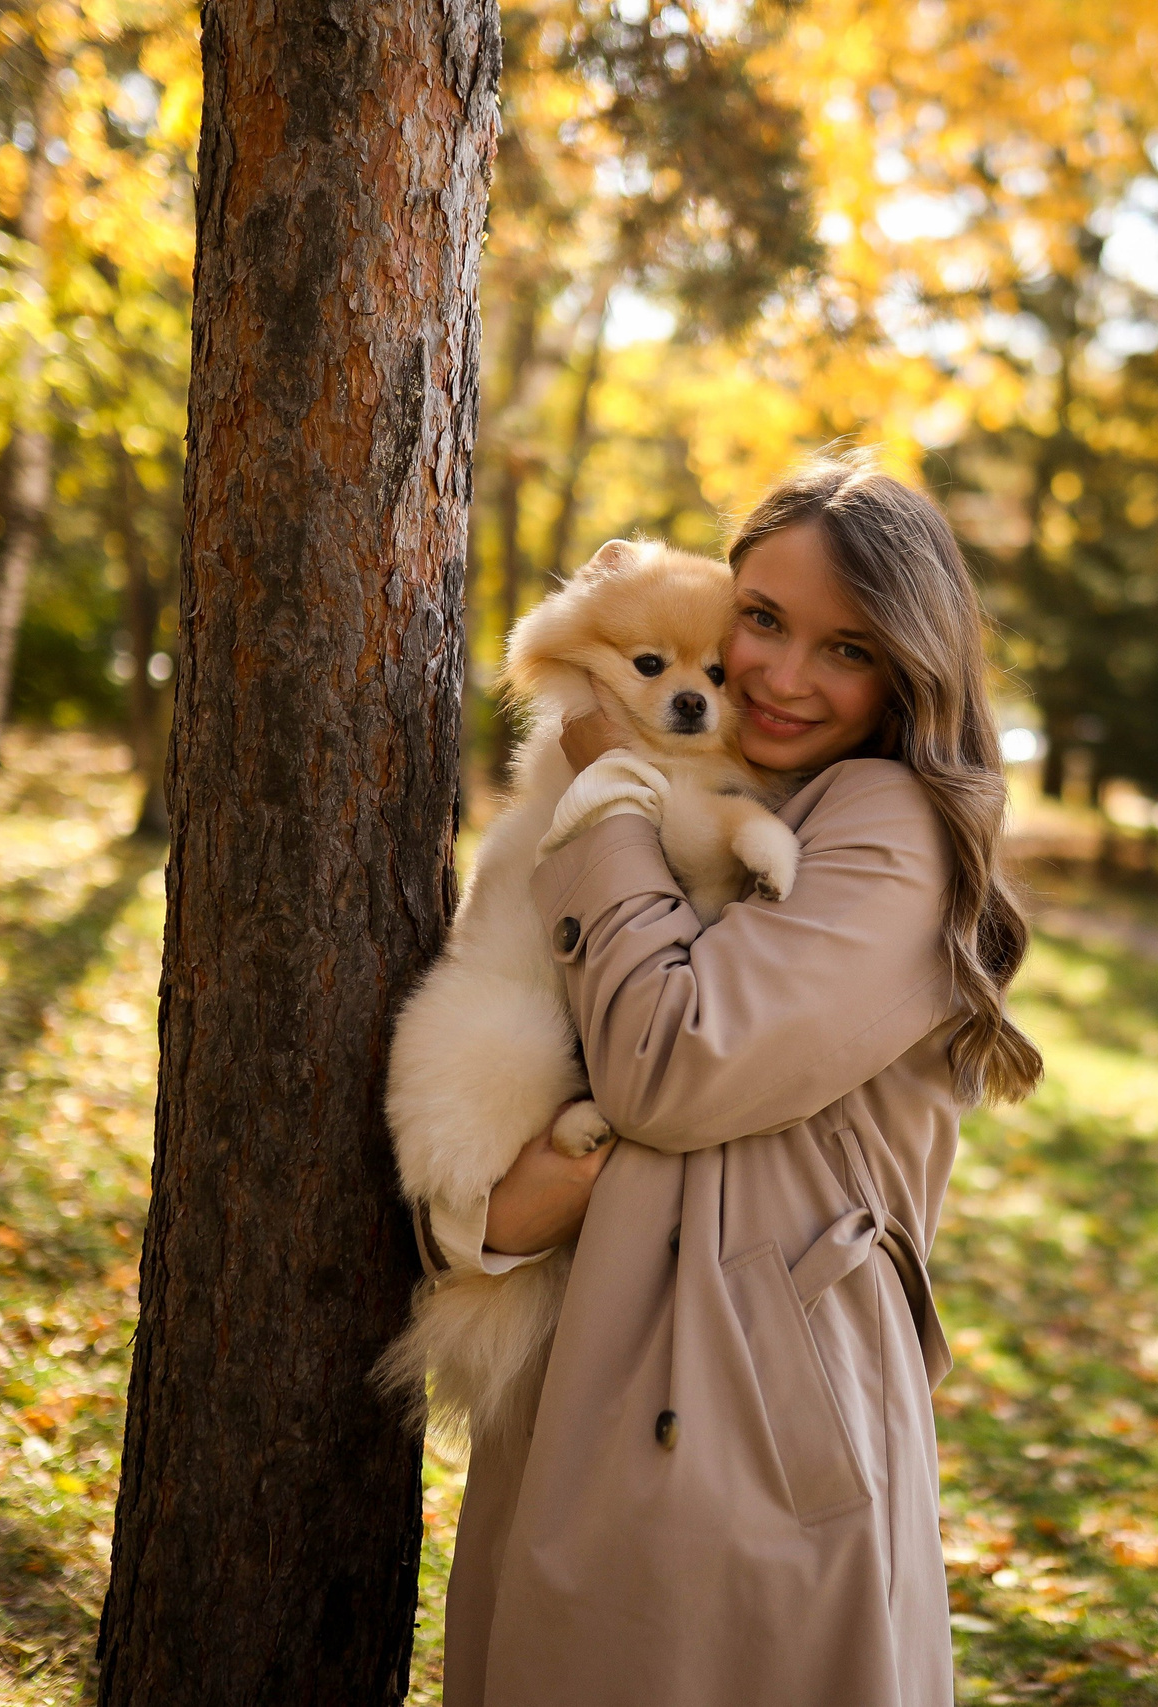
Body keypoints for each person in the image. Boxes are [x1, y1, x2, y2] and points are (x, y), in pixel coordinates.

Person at [437, 454, 1043, 1706]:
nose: (776, 674)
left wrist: (606, 792)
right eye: (761, 619)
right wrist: (486, 1217)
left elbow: (669, 1067)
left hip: (745, 1432)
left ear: (907, 672)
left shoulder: (886, 825)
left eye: (847, 649)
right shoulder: (730, 778)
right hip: (590, 1375)